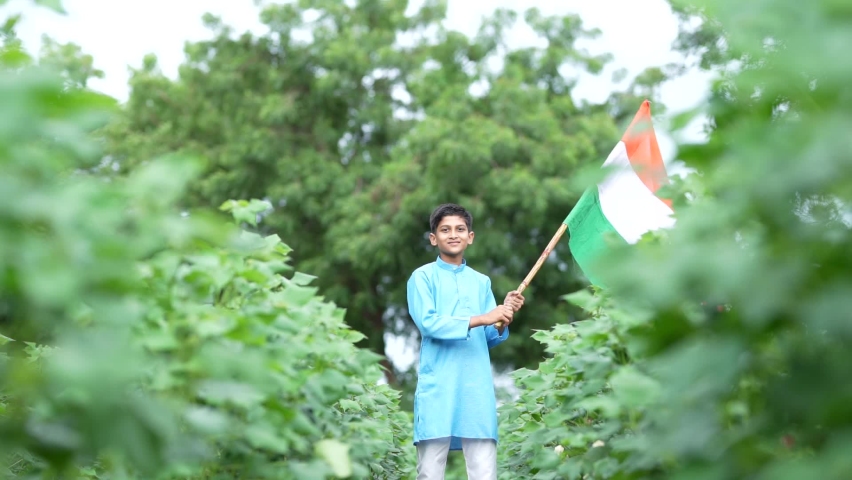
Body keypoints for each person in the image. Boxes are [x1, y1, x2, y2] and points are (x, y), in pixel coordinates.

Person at [406, 203, 525, 480]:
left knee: (485, 472)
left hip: (476, 389)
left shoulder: (481, 281)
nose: (453, 235)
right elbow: (429, 323)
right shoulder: (422, 278)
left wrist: (503, 317)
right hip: (438, 386)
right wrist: (484, 317)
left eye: (460, 229)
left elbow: (487, 337)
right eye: (445, 230)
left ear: (470, 236)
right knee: (430, 472)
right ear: (433, 238)